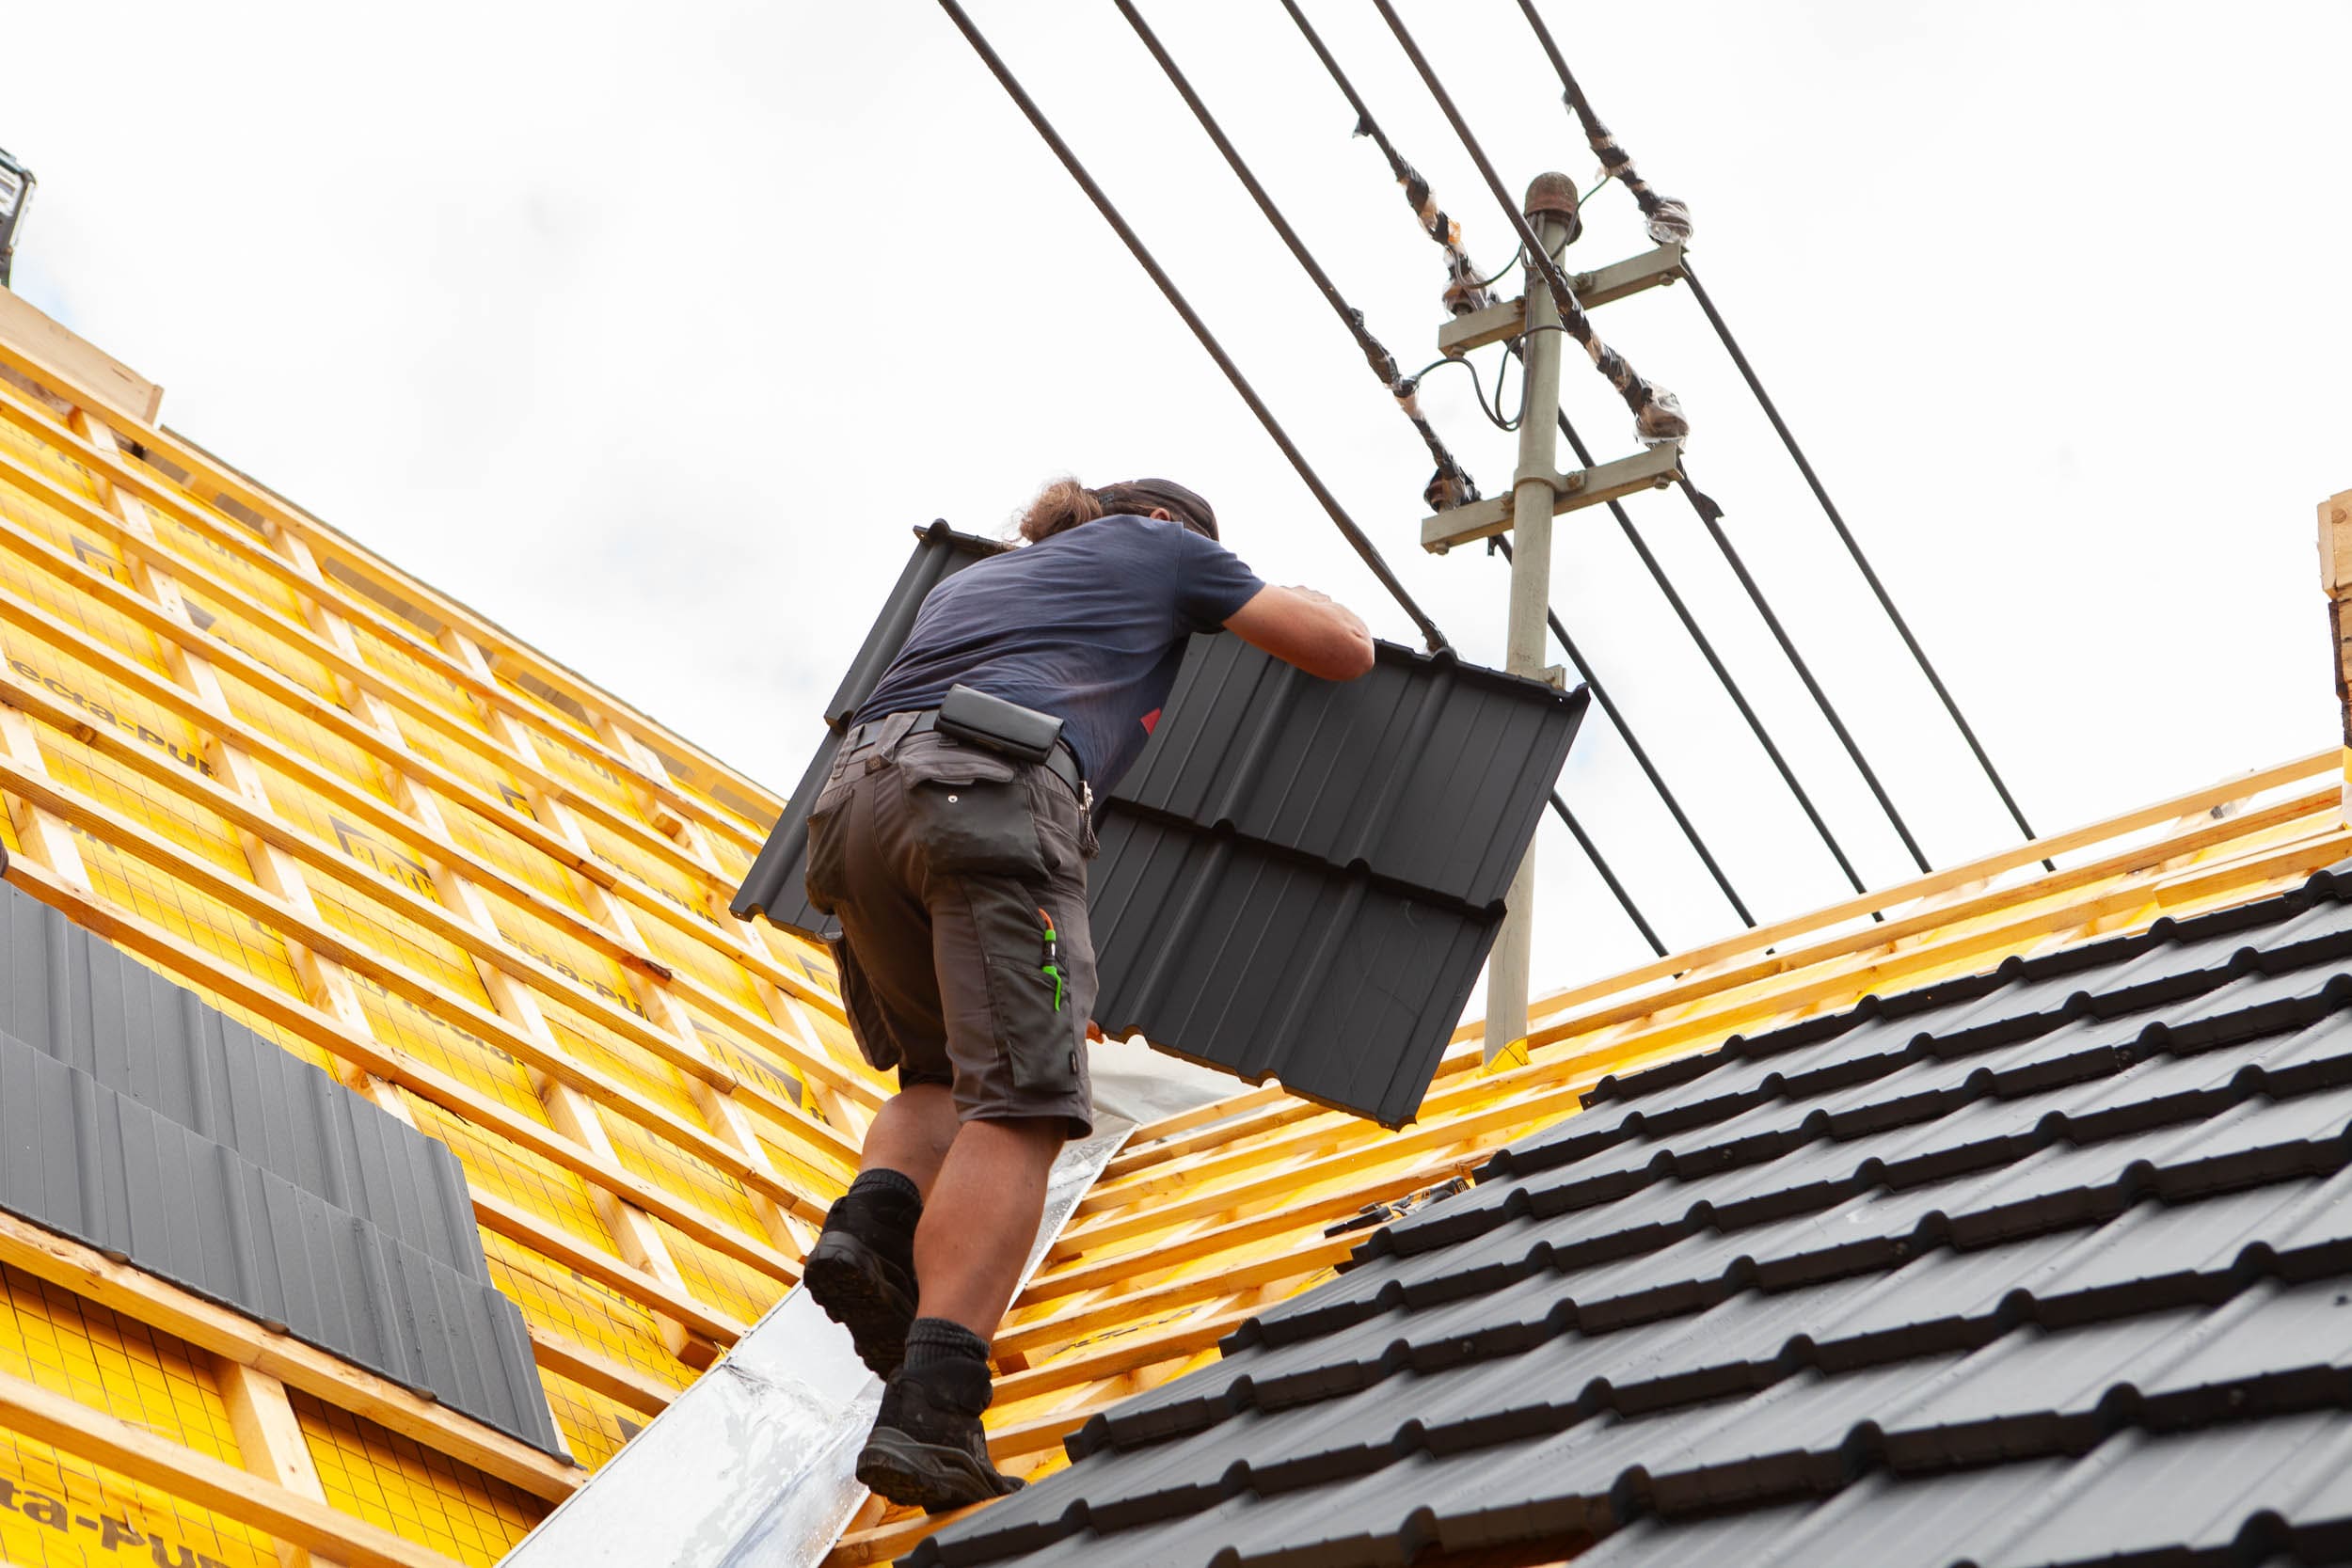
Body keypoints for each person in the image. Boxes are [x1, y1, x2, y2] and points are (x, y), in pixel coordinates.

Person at [800, 475, 1375, 1509]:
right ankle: (933, 1409)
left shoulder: (984, 579)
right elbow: (1340, 650)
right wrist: (1292, 591)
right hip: (986, 791)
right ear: (1162, 523)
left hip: (850, 802)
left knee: (939, 1076)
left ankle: (873, 1231)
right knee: (1022, 1101)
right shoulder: (1161, 546)